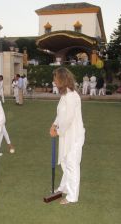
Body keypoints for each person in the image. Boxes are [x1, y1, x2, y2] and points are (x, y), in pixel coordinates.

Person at [49, 67, 85, 205]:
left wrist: (57, 131)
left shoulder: (71, 96)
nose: (54, 81)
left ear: (62, 80)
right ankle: (64, 187)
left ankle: (72, 196)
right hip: (66, 134)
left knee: (72, 164)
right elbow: (60, 115)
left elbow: (69, 118)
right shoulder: (65, 95)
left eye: (55, 78)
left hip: (74, 136)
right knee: (65, 161)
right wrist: (54, 124)